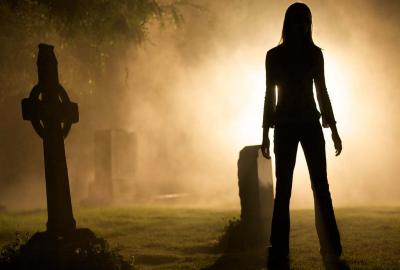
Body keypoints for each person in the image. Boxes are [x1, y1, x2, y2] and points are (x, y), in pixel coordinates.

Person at [261, 2, 343, 268]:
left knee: (321, 187)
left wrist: (334, 129)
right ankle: (280, 247)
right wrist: (265, 133)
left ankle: (330, 246)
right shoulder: (274, 56)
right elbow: (268, 96)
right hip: (286, 127)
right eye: (298, 21)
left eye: (306, 21)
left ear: (309, 24)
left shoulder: (313, 54)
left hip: (308, 125)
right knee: (284, 189)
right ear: (289, 23)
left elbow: (322, 91)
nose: (302, 26)